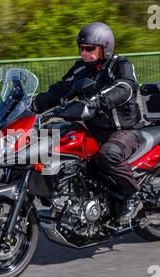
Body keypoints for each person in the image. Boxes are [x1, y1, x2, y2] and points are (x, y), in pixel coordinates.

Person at [32, 22, 144, 224]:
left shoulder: (120, 65)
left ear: (105, 47)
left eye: (89, 48)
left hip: (123, 131)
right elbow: (60, 90)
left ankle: (133, 195)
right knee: (46, 143)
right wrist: (32, 106)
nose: (84, 52)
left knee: (108, 155)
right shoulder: (80, 69)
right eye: (81, 48)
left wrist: (95, 103)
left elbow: (125, 87)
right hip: (93, 130)